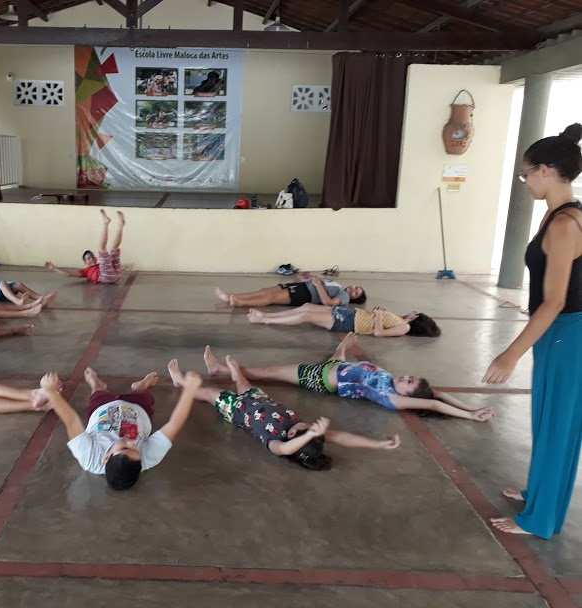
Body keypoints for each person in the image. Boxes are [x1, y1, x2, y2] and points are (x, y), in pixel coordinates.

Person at [483, 123, 582, 539]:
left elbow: (556, 300)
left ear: (544, 170)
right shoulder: (559, 214)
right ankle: (538, 492)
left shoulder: (565, 224)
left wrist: (510, 354)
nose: (524, 183)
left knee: (559, 425)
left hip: (567, 334)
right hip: (558, 331)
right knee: (546, 419)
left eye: (525, 174)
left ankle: (541, 520)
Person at [167, 357, 400, 471]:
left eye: (303, 429)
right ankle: (233, 370)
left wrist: (309, 435)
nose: (305, 424)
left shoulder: (278, 444)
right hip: (260, 399)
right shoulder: (306, 433)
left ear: (292, 438)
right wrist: (376, 444)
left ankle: (182, 384)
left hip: (237, 410)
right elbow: (341, 438)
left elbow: (288, 449)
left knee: (209, 393)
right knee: (243, 383)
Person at [204, 333, 494, 421]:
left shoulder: (391, 398)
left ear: (406, 396)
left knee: (268, 373)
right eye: (411, 376)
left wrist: (470, 415)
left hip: (319, 380)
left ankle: (221, 370)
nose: (406, 377)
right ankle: (221, 370)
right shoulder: (387, 377)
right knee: (269, 371)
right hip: (325, 368)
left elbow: (432, 402)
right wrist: (342, 348)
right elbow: (436, 394)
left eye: (409, 382)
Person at [41, 366, 202, 490]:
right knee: (143, 394)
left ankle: (95, 383)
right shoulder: (149, 457)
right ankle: (141, 385)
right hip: (137, 408)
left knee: (97, 392)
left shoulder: (89, 457)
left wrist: (51, 393)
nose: (131, 443)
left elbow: (71, 421)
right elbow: (175, 423)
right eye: (136, 450)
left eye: (124, 448)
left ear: (106, 457)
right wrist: (189, 390)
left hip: (102, 408)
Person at [247, 303, 440, 338]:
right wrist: (380, 313)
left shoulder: (404, 327)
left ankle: (265, 320)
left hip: (348, 323)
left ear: (417, 319)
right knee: (306, 307)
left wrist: (380, 316)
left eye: (415, 314)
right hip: (350, 314)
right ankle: (266, 315)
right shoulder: (400, 319)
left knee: (306, 316)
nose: (411, 313)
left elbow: (379, 333)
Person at [45, 210, 125, 284]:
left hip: (117, 274)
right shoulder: (86, 271)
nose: (91, 259)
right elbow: (68, 274)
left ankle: (120, 225)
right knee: (102, 249)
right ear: (85, 262)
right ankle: (105, 223)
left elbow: (109, 264)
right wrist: (53, 268)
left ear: (96, 258)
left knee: (114, 249)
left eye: (92, 257)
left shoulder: (101, 265)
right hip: (107, 277)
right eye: (88, 258)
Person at [215, 274, 366, 307]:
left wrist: (318, 285)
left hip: (305, 295)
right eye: (355, 287)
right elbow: (321, 285)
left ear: (354, 298)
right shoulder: (339, 286)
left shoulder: (344, 297)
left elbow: (328, 303)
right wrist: (312, 278)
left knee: (271, 298)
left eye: (356, 292)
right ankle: (231, 296)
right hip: (302, 286)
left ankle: (241, 302)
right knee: (265, 291)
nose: (353, 289)